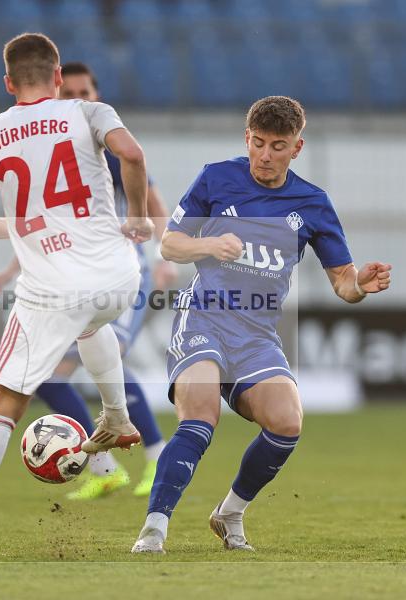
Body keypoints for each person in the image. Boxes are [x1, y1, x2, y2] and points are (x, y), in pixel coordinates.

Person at [0, 33, 154, 559]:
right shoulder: (89, 112)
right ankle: (116, 417)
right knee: (94, 325)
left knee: (3, 403)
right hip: (118, 275)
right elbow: (132, 155)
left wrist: (25, 226)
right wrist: (135, 215)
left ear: (7, 83)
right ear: (57, 76)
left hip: (53, 288)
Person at [131, 96, 392, 553]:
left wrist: (361, 285)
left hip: (256, 335)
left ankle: (230, 513)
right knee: (200, 416)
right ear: (246, 139)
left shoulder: (312, 203)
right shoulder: (216, 178)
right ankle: (154, 529)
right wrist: (210, 247)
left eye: (278, 145)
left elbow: (342, 283)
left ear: (297, 147)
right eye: (257, 143)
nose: (265, 156)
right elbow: (170, 245)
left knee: (287, 421)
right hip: (205, 317)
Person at [0, 62, 174, 501]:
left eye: (84, 91)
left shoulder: (107, 144)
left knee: (107, 356)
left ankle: (158, 455)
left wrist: (165, 253)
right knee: (47, 377)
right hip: (72, 276)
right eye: (67, 92)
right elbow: (46, 227)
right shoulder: (52, 152)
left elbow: (154, 200)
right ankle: (104, 466)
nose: (77, 99)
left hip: (124, 273)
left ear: (97, 93)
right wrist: (8, 272)